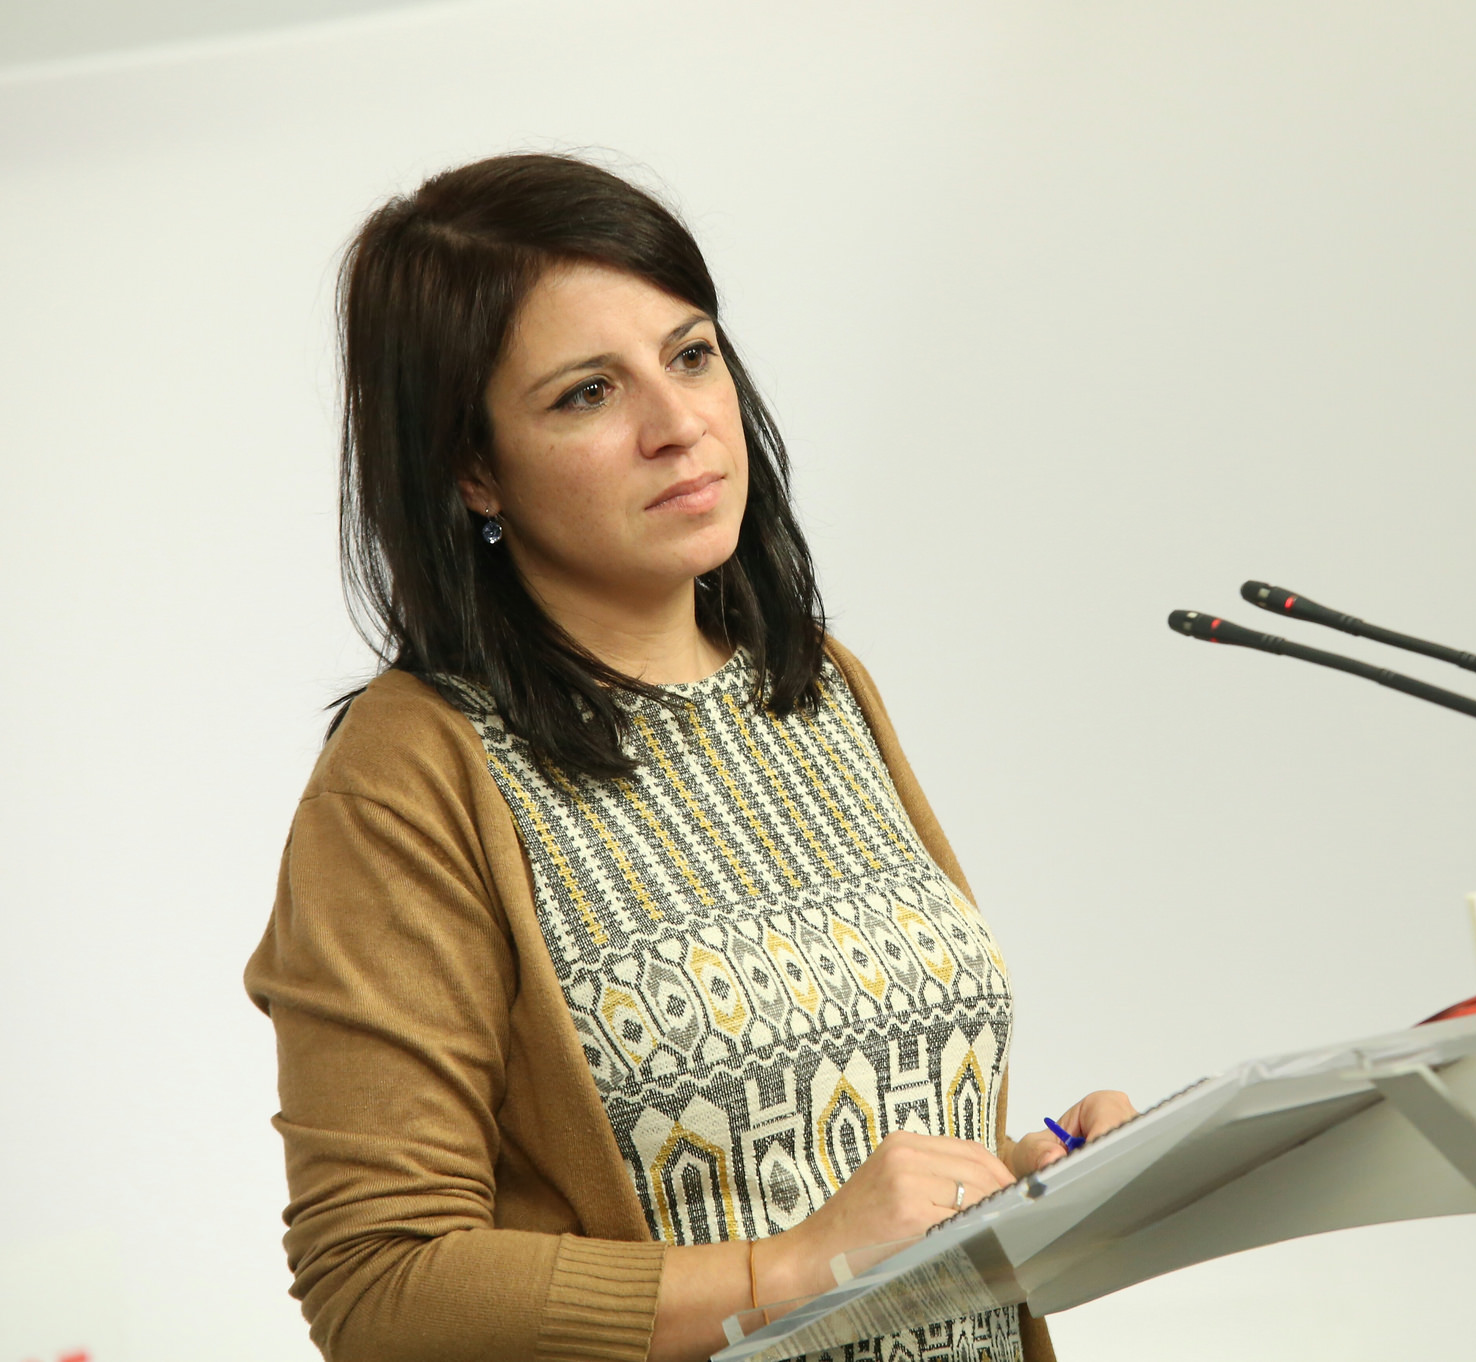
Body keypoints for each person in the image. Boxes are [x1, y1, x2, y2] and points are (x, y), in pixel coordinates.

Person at [244, 152, 1135, 1362]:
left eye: (690, 353)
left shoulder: (816, 685)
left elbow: (856, 1168)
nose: (679, 427)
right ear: (471, 468)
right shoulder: (411, 772)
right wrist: (786, 1270)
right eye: (585, 395)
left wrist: (1023, 1179)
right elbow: (378, 1286)